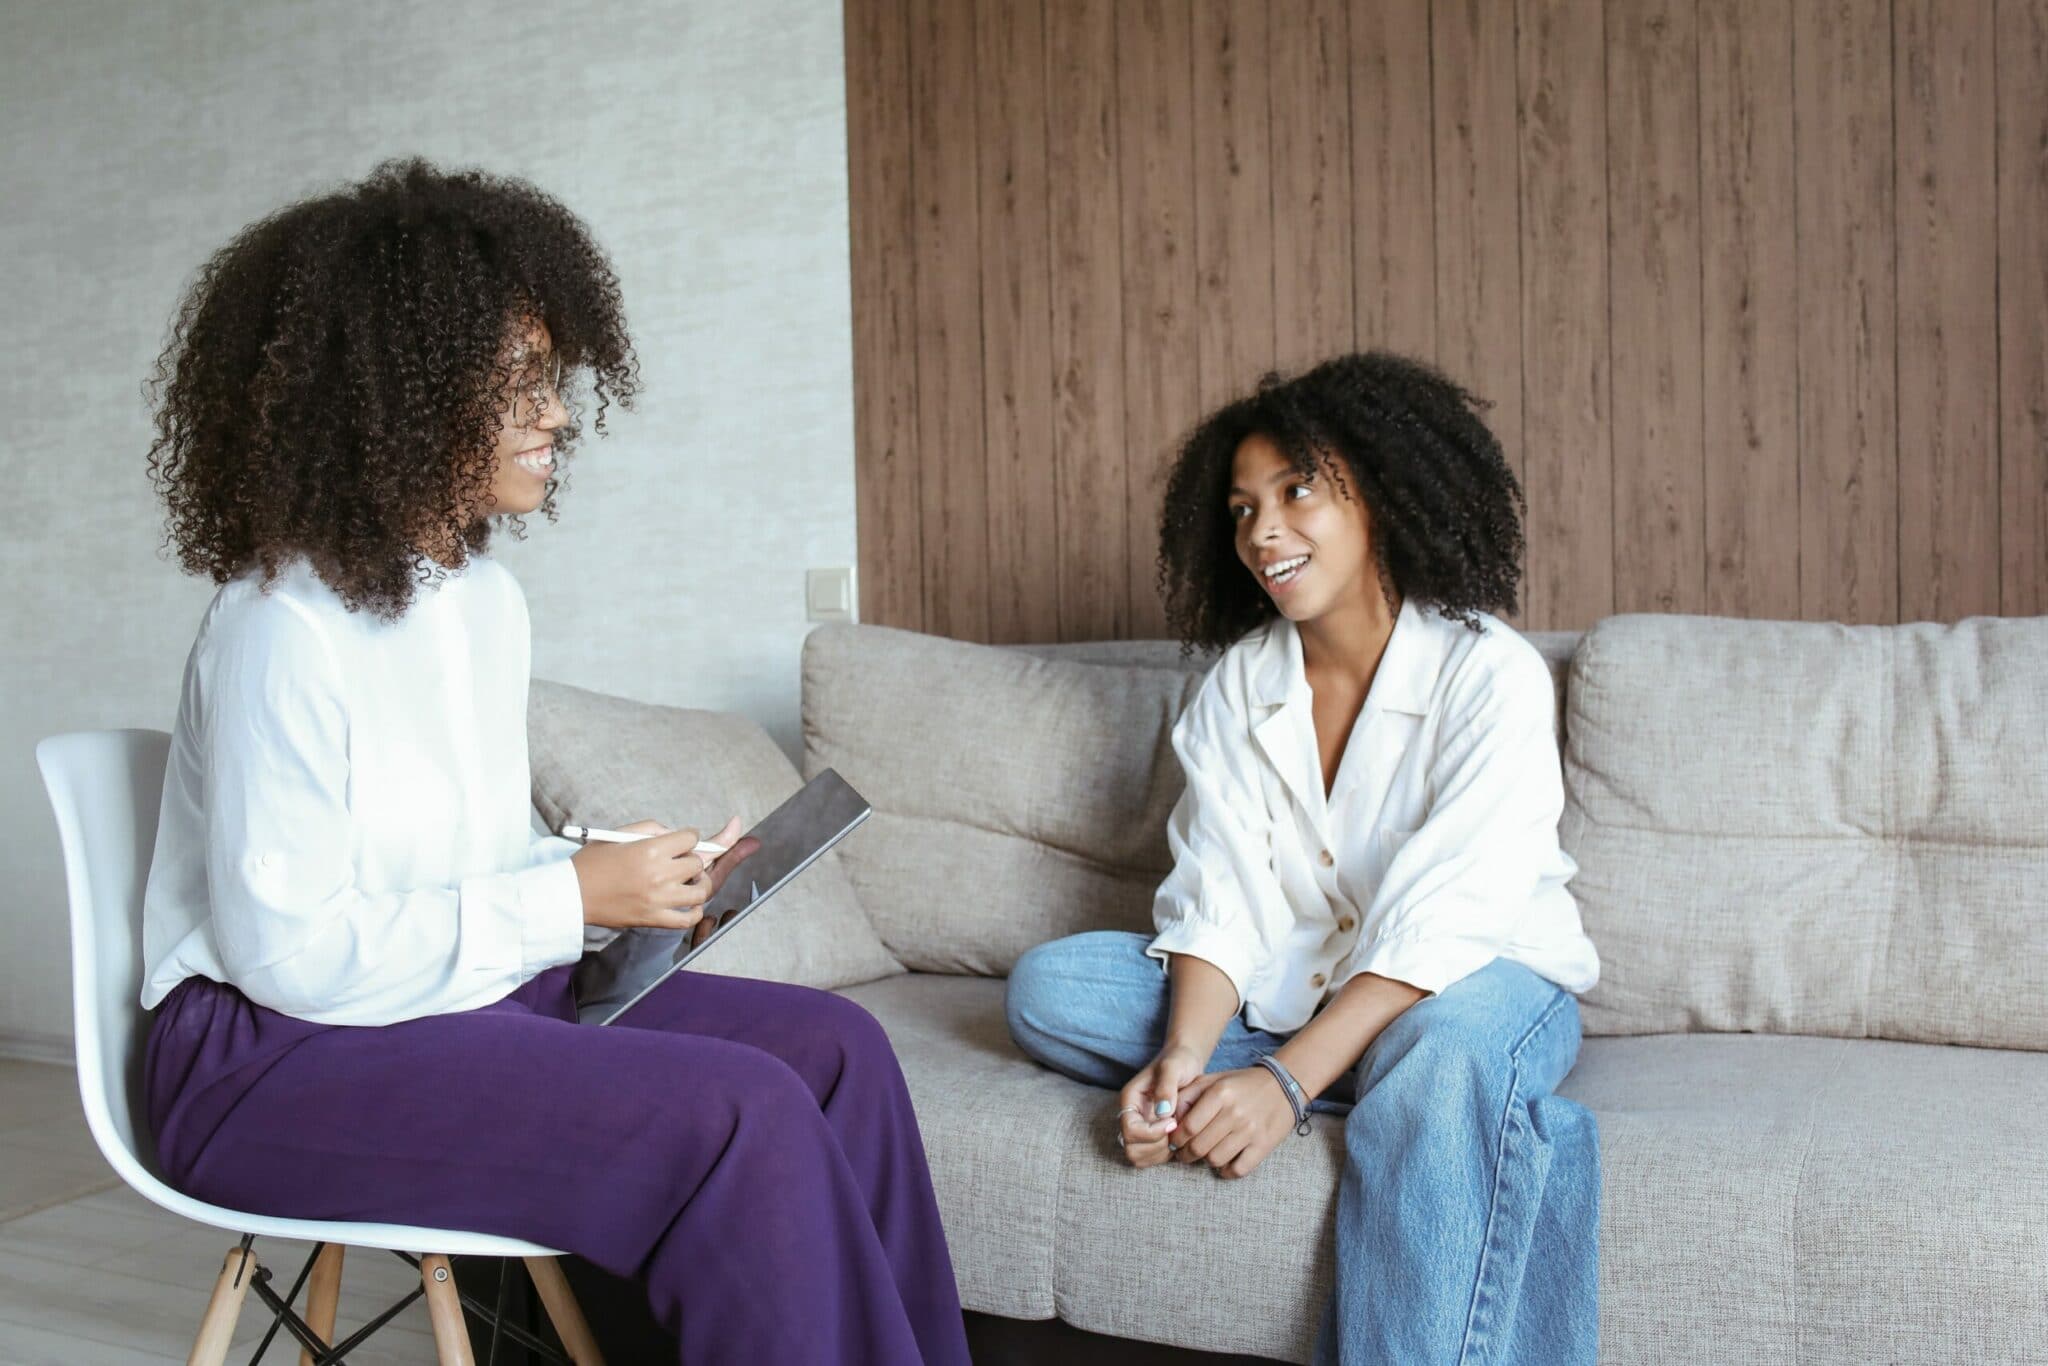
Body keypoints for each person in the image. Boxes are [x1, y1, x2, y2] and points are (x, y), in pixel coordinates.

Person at [139, 158, 969, 1366]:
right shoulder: (281, 628)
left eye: (555, 379)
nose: (561, 415)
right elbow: (292, 953)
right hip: (268, 1058)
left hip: (434, 1004)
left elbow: (448, 861)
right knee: (737, 1115)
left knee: (838, 1052)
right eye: (521, 383)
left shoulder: (479, 597)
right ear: (401, 395)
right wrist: (566, 900)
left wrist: (600, 875)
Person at [1004, 353, 1603, 1365]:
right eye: (1239, 509)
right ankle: (1424, 1103)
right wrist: (1184, 1063)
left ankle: (1414, 1091)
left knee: (1442, 1052)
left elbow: (1442, 922)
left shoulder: (1484, 671)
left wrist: (1281, 1086)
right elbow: (1217, 894)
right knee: (1051, 987)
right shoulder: (1239, 686)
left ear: (1379, 490)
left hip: (1480, 979)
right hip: (1293, 993)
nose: (1261, 532)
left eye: (1294, 493)